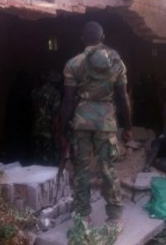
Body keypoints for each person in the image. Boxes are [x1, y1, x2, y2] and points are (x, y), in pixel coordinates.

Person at [59, 21, 133, 231]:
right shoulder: (117, 63)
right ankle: (115, 217)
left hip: (81, 122)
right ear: (103, 38)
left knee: (81, 169)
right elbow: (123, 97)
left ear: (83, 39)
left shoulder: (73, 63)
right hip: (106, 122)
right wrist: (128, 126)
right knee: (107, 168)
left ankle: (83, 217)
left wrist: (62, 131)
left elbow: (68, 100)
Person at [31, 70, 62, 166]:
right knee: (48, 158)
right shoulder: (55, 94)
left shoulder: (35, 92)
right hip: (48, 128)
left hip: (36, 127)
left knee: (37, 154)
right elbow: (56, 113)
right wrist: (58, 131)